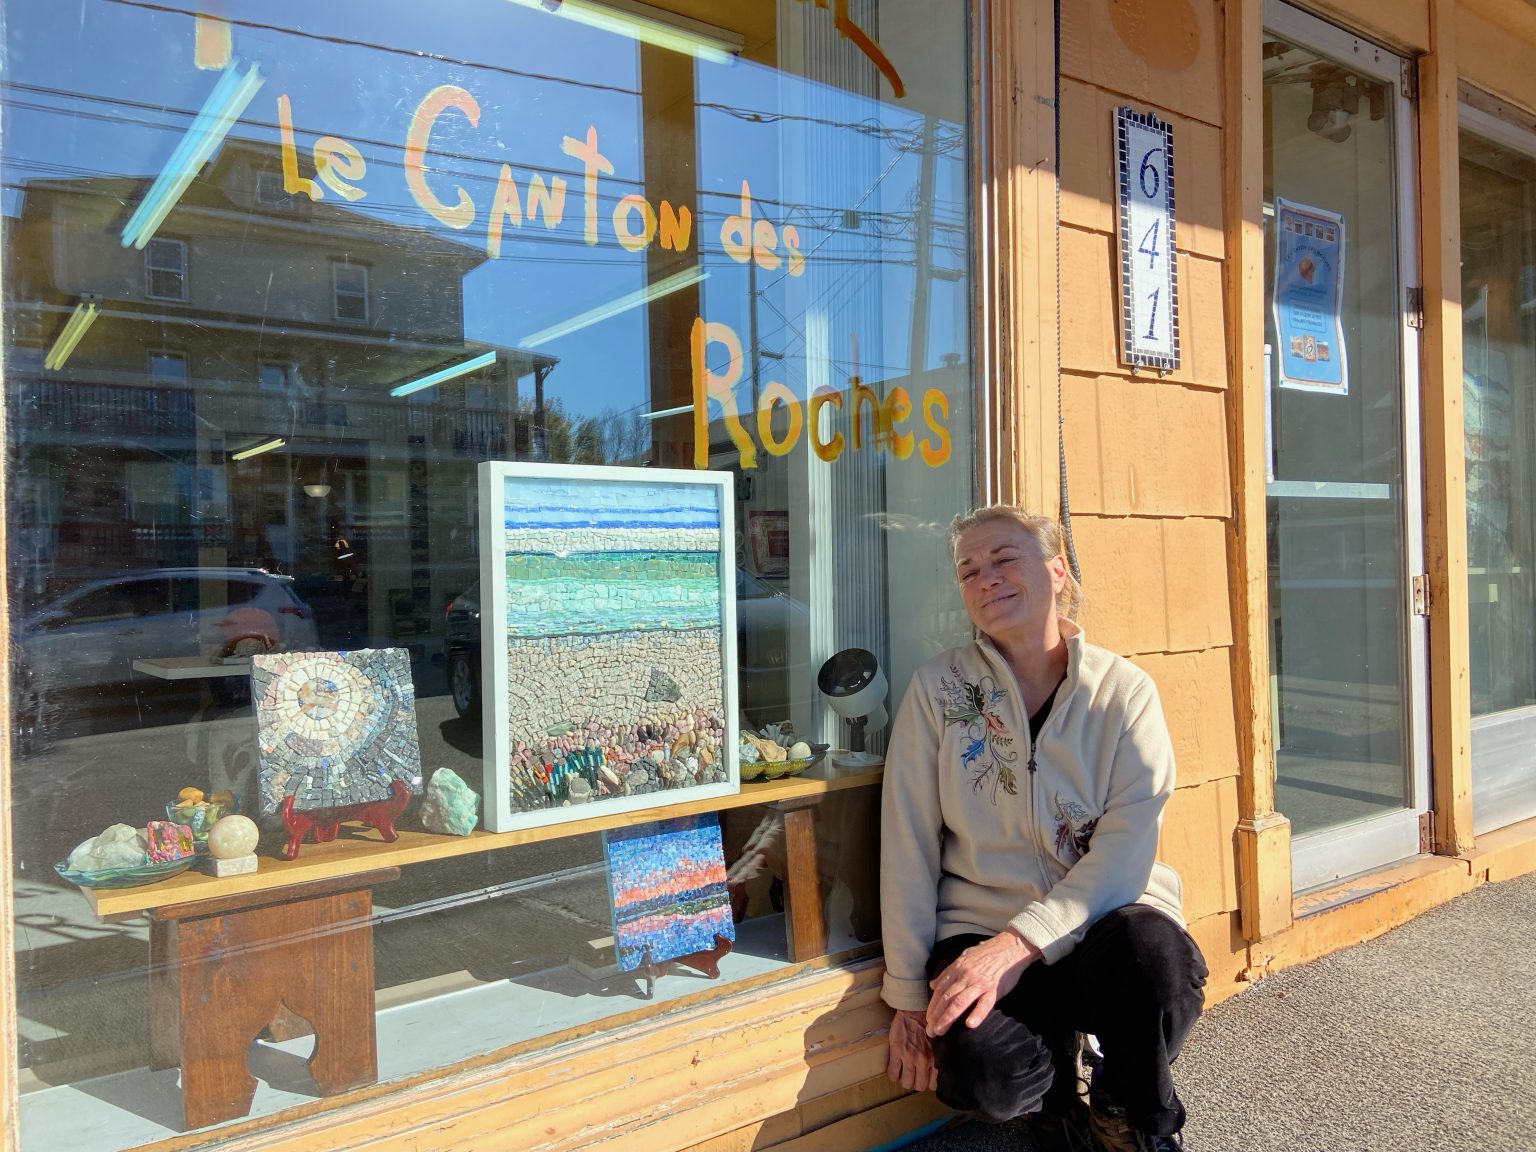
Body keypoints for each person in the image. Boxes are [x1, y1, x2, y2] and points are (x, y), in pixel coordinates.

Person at [880, 506, 1207, 1152]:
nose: (985, 578)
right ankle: (1055, 1105)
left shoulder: (1123, 692)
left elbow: (1125, 851)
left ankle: (1129, 1110)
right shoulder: (938, 691)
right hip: (980, 923)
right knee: (981, 1073)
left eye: (1005, 558)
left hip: (1105, 927)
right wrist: (909, 996)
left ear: (1057, 571)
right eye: (968, 570)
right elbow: (907, 843)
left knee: (1156, 964)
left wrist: (1018, 946)